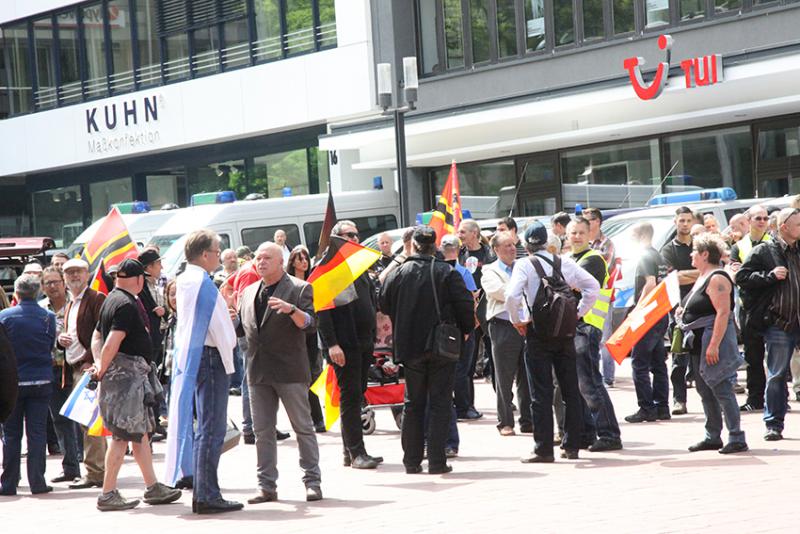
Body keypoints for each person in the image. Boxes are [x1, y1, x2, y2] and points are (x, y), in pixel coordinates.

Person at [379, 226, 474, 474]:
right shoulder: (446, 272)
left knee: (413, 403)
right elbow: (465, 305)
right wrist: (464, 330)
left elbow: (384, 302)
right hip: (441, 346)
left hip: (410, 347)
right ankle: (436, 461)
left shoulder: (399, 272)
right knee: (441, 402)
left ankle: (411, 461)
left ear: (413, 246)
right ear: (434, 247)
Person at [89, 259, 181, 511]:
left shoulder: (112, 299)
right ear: (140, 279)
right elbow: (111, 341)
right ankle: (107, 493)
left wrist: (99, 364)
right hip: (126, 381)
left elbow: (97, 336)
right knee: (122, 436)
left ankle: (153, 487)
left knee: (139, 435)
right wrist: (102, 367)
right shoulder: (126, 304)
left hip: (127, 379)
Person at [505, 221, 600, 463]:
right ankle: (572, 446)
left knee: (541, 393)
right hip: (565, 333)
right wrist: (578, 313)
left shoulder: (524, 265)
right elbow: (593, 287)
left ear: (526, 245)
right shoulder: (564, 262)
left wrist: (519, 321)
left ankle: (543, 449)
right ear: (548, 243)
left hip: (538, 333)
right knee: (570, 390)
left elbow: (511, 296)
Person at [238, 242, 322, 503]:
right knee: (263, 432)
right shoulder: (249, 291)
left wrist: (292, 310)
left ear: (279, 262)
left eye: (266, 258)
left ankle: (312, 482)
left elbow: (310, 324)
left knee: (303, 428)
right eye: (258, 258)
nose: (260, 262)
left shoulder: (299, 288)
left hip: (290, 370)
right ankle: (266, 486)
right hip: (258, 372)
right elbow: (243, 330)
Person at [168, 229, 242, 514]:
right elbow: (220, 329)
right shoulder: (202, 282)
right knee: (211, 430)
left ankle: (204, 491)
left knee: (204, 429)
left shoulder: (186, 279)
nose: (218, 255)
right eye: (216, 250)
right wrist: (231, 353)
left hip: (196, 357)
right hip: (210, 357)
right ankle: (207, 494)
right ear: (204, 254)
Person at [318, 220, 383, 469]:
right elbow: (322, 310)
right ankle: (356, 453)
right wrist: (332, 344)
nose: (355, 239)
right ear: (336, 238)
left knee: (357, 396)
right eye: (349, 235)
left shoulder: (358, 265)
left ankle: (352, 450)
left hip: (363, 341)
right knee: (350, 397)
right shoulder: (329, 267)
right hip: (345, 344)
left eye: (357, 234)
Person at [677, 234, 748, 454]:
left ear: (705, 254)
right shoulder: (703, 276)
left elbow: (723, 313)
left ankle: (736, 437)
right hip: (698, 342)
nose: (691, 254)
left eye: (694, 251)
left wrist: (714, 344)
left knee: (722, 389)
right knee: (705, 390)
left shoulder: (718, 278)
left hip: (710, 342)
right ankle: (713, 436)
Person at [736, 207, 800, 441]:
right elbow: (741, 278)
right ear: (784, 227)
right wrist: (770, 276)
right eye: (798, 225)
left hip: (798, 320)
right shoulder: (764, 251)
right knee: (777, 374)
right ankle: (774, 423)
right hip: (779, 322)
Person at [566, 218, 622, 452]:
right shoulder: (570, 260)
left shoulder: (594, 259)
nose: (577, 237)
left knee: (590, 383)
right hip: (574, 327)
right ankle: (586, 433)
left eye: (581, 232)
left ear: (590, 234)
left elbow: (570, 286)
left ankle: (609, 434)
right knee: (578, 385)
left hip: (587, 326)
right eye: (573, 233)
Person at [0, 274, 56, 496]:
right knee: (37, 433)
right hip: (41, 378)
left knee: (11, 434)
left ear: (16, 293)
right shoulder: (48, 317)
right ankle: (38, 482)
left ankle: (9, 483)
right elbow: (51, 344)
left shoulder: (4, 316)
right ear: (38, 291)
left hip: (13, 381)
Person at [59, 258, 108, 490]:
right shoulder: (71, 303)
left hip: (89, 369)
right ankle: (97, 470)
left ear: (87, 274)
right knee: (85, 423)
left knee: (91, 422)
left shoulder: (96, 298)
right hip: (75, 368)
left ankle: (96, 472)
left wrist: (93, 360)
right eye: (69, 273)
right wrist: (61, 341)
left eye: (78, 272)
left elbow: (104, 333)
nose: (74, 276)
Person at [482, 231, 532, 436]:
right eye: (507, 246)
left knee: (527, 375)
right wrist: (519, 292)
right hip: (503, 326)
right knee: (504, 376)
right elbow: (500, 292)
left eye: (513, 245)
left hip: (526, 325)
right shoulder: (489, 270)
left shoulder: (524, 266)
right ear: (496, 250)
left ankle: (528, 420)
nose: (512, 249)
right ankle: (505, 422)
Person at [625, 222, 671, 423]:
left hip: (648, 316)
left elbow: (650, 283)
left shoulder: (644, 256)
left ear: (642, 235)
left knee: (639, 363)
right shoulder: (658, 255)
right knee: (658, 363)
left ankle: (646, 408)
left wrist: (637, 310)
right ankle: (662, 407)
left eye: (633, 236)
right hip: (660, 314)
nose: (631, 241)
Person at [39, 267, 81, 484]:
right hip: (51, 369)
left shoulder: (75, 305)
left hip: (74, 367)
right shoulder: (40, 310)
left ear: (63, 283)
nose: (53, 286)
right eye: (48, 283)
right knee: (59, 419)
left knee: (80, 417)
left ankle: (88, 463)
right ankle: (71, 466)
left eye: (56, 282)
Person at [729, 205, 772, 412]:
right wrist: (766, 276)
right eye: (758, 218)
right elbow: (738, 277)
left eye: (765, 218)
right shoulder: (739, 247)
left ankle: (777, 397)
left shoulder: (775, 243)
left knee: (776, 356)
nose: (762, 221)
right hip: (749, 307)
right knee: (753, 356)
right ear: (749, 221)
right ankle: (755, 398)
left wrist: (749, 276)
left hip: (773, 306)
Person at [660, 206, 699, 416]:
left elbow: (713, 270)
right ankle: (679, 400)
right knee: (678, 358)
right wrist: (700, 273)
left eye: (688, 220)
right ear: (675, 222)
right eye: (681, 220)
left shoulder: (699, 245)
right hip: (679, 309)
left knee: (703, 357)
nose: (685, 224)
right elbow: (673, 278)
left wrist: (688, 274)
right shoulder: (668, 250)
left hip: (702, 307)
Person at [457, 219, 495, 418]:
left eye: (463, 231)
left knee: (494, 357)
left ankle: (505, 398)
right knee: (468, 363)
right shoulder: (459, 253)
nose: (459, 234)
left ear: (474, 233)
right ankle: (468, 405)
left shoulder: (488, 254)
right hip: (468, 315)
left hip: (487, 312)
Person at [286, 245, 325, 433]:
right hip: (293, 336)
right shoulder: (287, 284)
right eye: (299, 258)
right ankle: (306, 418)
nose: (304, 262)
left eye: (306, 259)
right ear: (292, 261)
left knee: (312, 376)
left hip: (311, 334)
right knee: (298, 379)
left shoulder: (313, 281)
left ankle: (317, 418)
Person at [441, 235, 479, 428]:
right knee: (463, 369)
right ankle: (464, 407)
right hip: (460, 327)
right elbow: (472, 300)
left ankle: (455, 405)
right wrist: (469, 326)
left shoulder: (437, 271)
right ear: (457, 250)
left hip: (442, 328)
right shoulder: (462, 272)